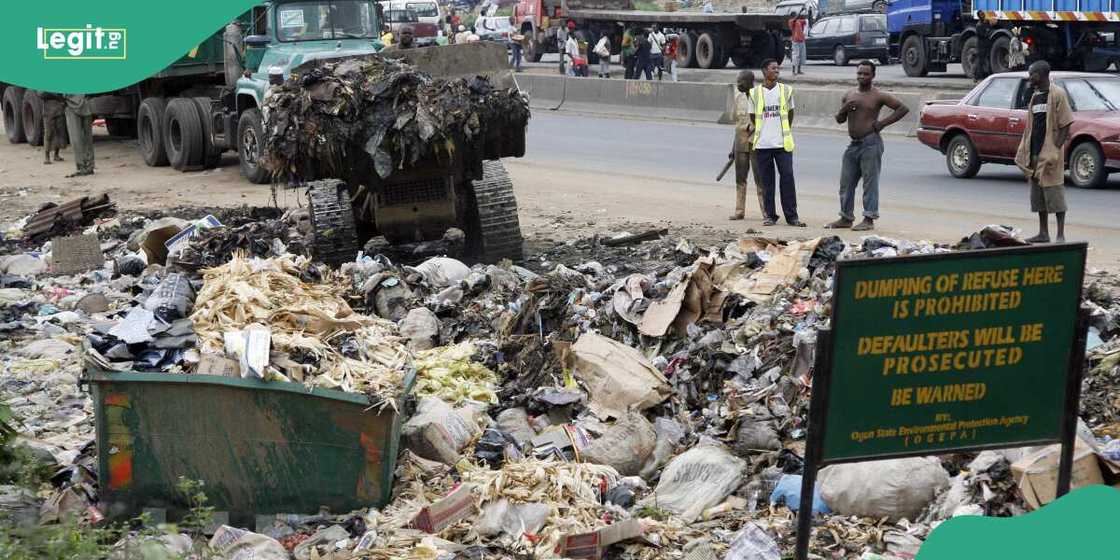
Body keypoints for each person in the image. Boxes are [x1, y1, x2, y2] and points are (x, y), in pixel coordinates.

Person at [825, 61, 910, 231]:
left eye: (866, 74)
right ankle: (845, 217)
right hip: (854, 145)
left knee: (870, 183)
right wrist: (844, 110)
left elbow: (902, 108)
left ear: (873, 76)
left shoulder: (878, 95)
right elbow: (840, 120)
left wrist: (882, 123)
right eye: (859, 73)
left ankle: (869, 219)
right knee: (846, 182)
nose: (862, 77)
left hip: (870, 143)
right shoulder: (848, 95)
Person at [1014, 61, 1073, 243]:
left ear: (1040, 75)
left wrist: (1055, 149)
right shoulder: (1035, 96)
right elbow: (1032, 127)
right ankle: (1043, 232)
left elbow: (1066, 124)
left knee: (1055, 194)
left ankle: (1060, 234)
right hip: (1034, 153)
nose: (1029, 78)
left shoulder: (1057, 95)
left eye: (1032, 74)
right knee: (1038, 196)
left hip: (1050, 154)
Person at [749, 59, 805, 226]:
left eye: (778, 68)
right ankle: (770, 216)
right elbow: (753, 117)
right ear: (765, 71)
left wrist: (782, 130)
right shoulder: (755, 93)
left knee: (787, 179)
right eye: (773, 68)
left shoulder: (786, 91)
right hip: (763, 144)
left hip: (783, 144)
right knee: (767, 183)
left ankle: (792, 216)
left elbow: (790, 113)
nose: (777, 71)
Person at [729, 71, 765, 220]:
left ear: (750, 82)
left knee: (760, 179)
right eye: (737, 82)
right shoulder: (737, 97)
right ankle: (739, 211)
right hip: (740, 141)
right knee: (740, 178)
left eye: (741, 82)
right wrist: (733, 147)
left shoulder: (761, 97)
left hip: (756, 142)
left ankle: (766, 211)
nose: (738, 85)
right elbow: (736, 123)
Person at [64, 94, 94, 177]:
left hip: (72, 104)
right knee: (87, 138)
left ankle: (82, 167)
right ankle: (89, 166)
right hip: (86, 103)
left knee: (76, 138)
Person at [41, 92, 67, 165]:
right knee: (48, 134)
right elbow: (41, 94)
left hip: (59, 111)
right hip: (48, 112)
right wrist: (56, 95)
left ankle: (56, 155)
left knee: (59, 133)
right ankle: (47, 157)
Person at [789, 11, 808, 75]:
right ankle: (793, 71)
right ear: (793, 15)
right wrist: (800, 11)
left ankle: (799, 70)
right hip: (795, 40)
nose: (796, 15)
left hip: (801, 40)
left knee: (801, 55)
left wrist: (806, 13)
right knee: (796, 55)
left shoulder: (799, 21)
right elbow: (795, 19)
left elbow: (805, 21)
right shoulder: (791, 21)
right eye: (795, 14)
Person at [974, 11, 992, 80]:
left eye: (983, 14)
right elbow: (983, 35)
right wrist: (987, 31)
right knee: (980, 61)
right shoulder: (978, 25)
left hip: (986, 44)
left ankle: (985, 75)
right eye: (981, 14)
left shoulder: (985, 23)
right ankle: (976, 76)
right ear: (979, 16)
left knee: (986, 60)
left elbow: (989, 29)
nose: (983, 15)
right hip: (981, 45)